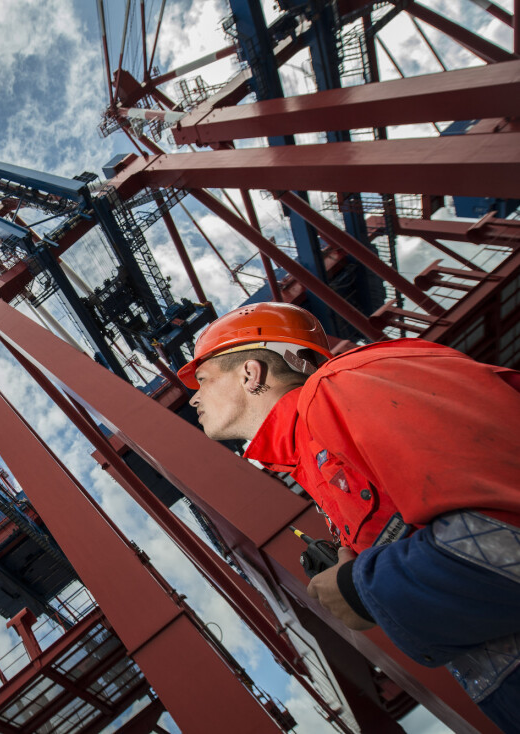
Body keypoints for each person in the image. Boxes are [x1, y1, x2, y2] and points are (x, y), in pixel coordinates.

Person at [176, 301, 520, 732]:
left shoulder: (347, 384)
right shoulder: (315, 451)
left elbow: (506, 535)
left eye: (203, 379)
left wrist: (361, 589)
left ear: (250, 373)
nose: (192, 396)